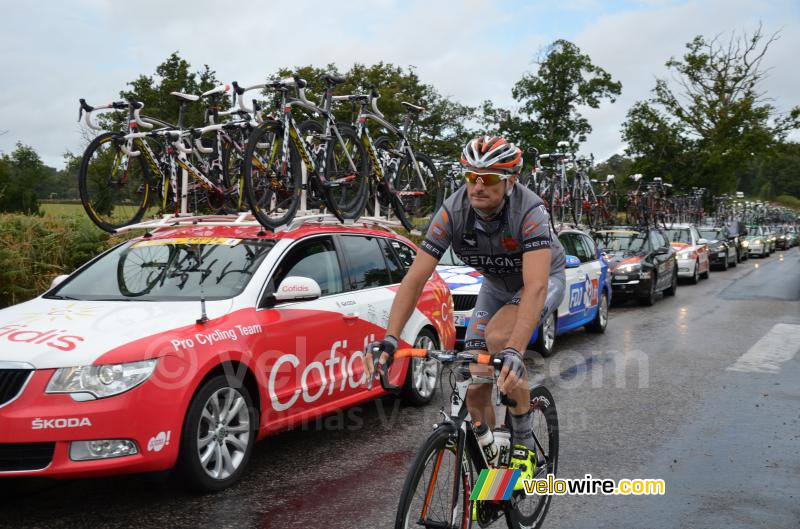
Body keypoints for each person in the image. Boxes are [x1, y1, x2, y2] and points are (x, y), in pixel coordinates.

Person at [366, 135, 566, 490]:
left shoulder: (530, 211)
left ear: (510, 181)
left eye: (488, 178)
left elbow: (534, 286)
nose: (477, 185)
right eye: (470, 176)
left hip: (539, 281)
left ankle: (522, 442)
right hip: (494, 287)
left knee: (501, 340)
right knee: (475, 385)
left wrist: (515, 351)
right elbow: (414, 279)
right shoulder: (452, 211)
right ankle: (495, 471)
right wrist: (390, 338)